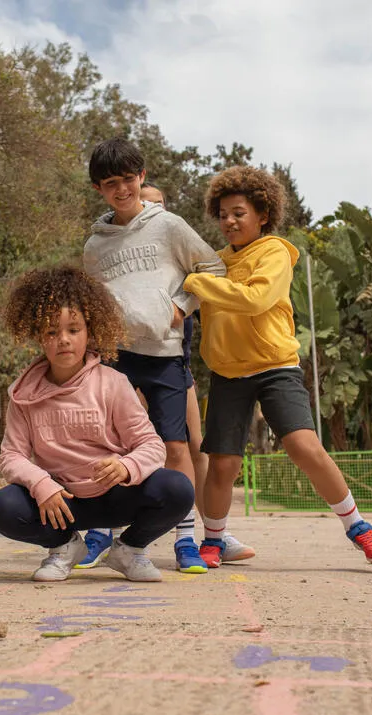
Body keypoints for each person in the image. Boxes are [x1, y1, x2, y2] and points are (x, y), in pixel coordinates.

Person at [183, 166, 372, 567]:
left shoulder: (275, 252)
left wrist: (196, 283)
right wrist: (196, 281)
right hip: (228, 372)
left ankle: (358, 526)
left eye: (239, 212)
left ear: (262, 214)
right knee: (223, 462)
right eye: (223, 213)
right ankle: (213, 539)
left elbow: (255, 299)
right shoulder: (213, 262)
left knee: (303, 445)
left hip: (275, 365)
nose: (229, 221)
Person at [77, 180, 254, 570]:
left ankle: (207, 535)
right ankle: (100, 532)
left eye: (154, 202)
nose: (142, 205)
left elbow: (209, 275)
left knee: (190, 445)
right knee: (115, 443)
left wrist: (180, 306)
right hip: (121, 354)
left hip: (172, 360)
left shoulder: (171, 240)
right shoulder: (104, 246)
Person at [0, 266, 196, 582]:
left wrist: (127, 467)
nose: (63, 340)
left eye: (73, 329)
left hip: (118, 496)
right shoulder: (23, 393)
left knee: (178, 488)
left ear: (90, 332)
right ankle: (64, 549)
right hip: (63, 504)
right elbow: (11, 456)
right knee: (3, 506)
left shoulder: (113, 383)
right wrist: (41, 484)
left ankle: (129, 551)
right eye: (51, 332)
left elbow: (151, 445)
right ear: (37, 336)